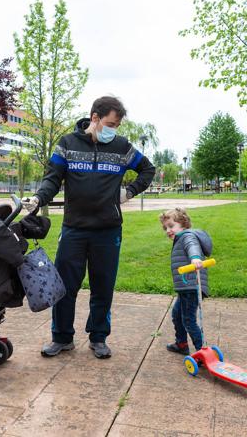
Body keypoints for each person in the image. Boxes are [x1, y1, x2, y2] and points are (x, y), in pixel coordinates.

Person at [22, 96, 155, 359]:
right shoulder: (67, 144)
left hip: (108, 230)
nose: (113, 130)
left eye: (116, 125)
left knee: (103, 286)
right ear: (94, 117)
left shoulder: (121, 147)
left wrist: (128, 192)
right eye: (110, 123)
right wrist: (38, 199)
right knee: (64, 286)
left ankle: (98, 337)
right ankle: (61, 338)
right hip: (74, 229)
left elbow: (147, 170)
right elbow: (52, 179)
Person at [159, 208, 209, 355]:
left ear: (183, 224)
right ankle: (181, 344)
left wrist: (195, 258)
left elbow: (191, 246)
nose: (168, 230)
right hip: (186, 286)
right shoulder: (181, 238)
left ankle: (202, 351)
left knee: (188, 320)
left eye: (171, 226)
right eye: (165, 227)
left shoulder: (187, 236)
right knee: (176, 314)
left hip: (191, 286)